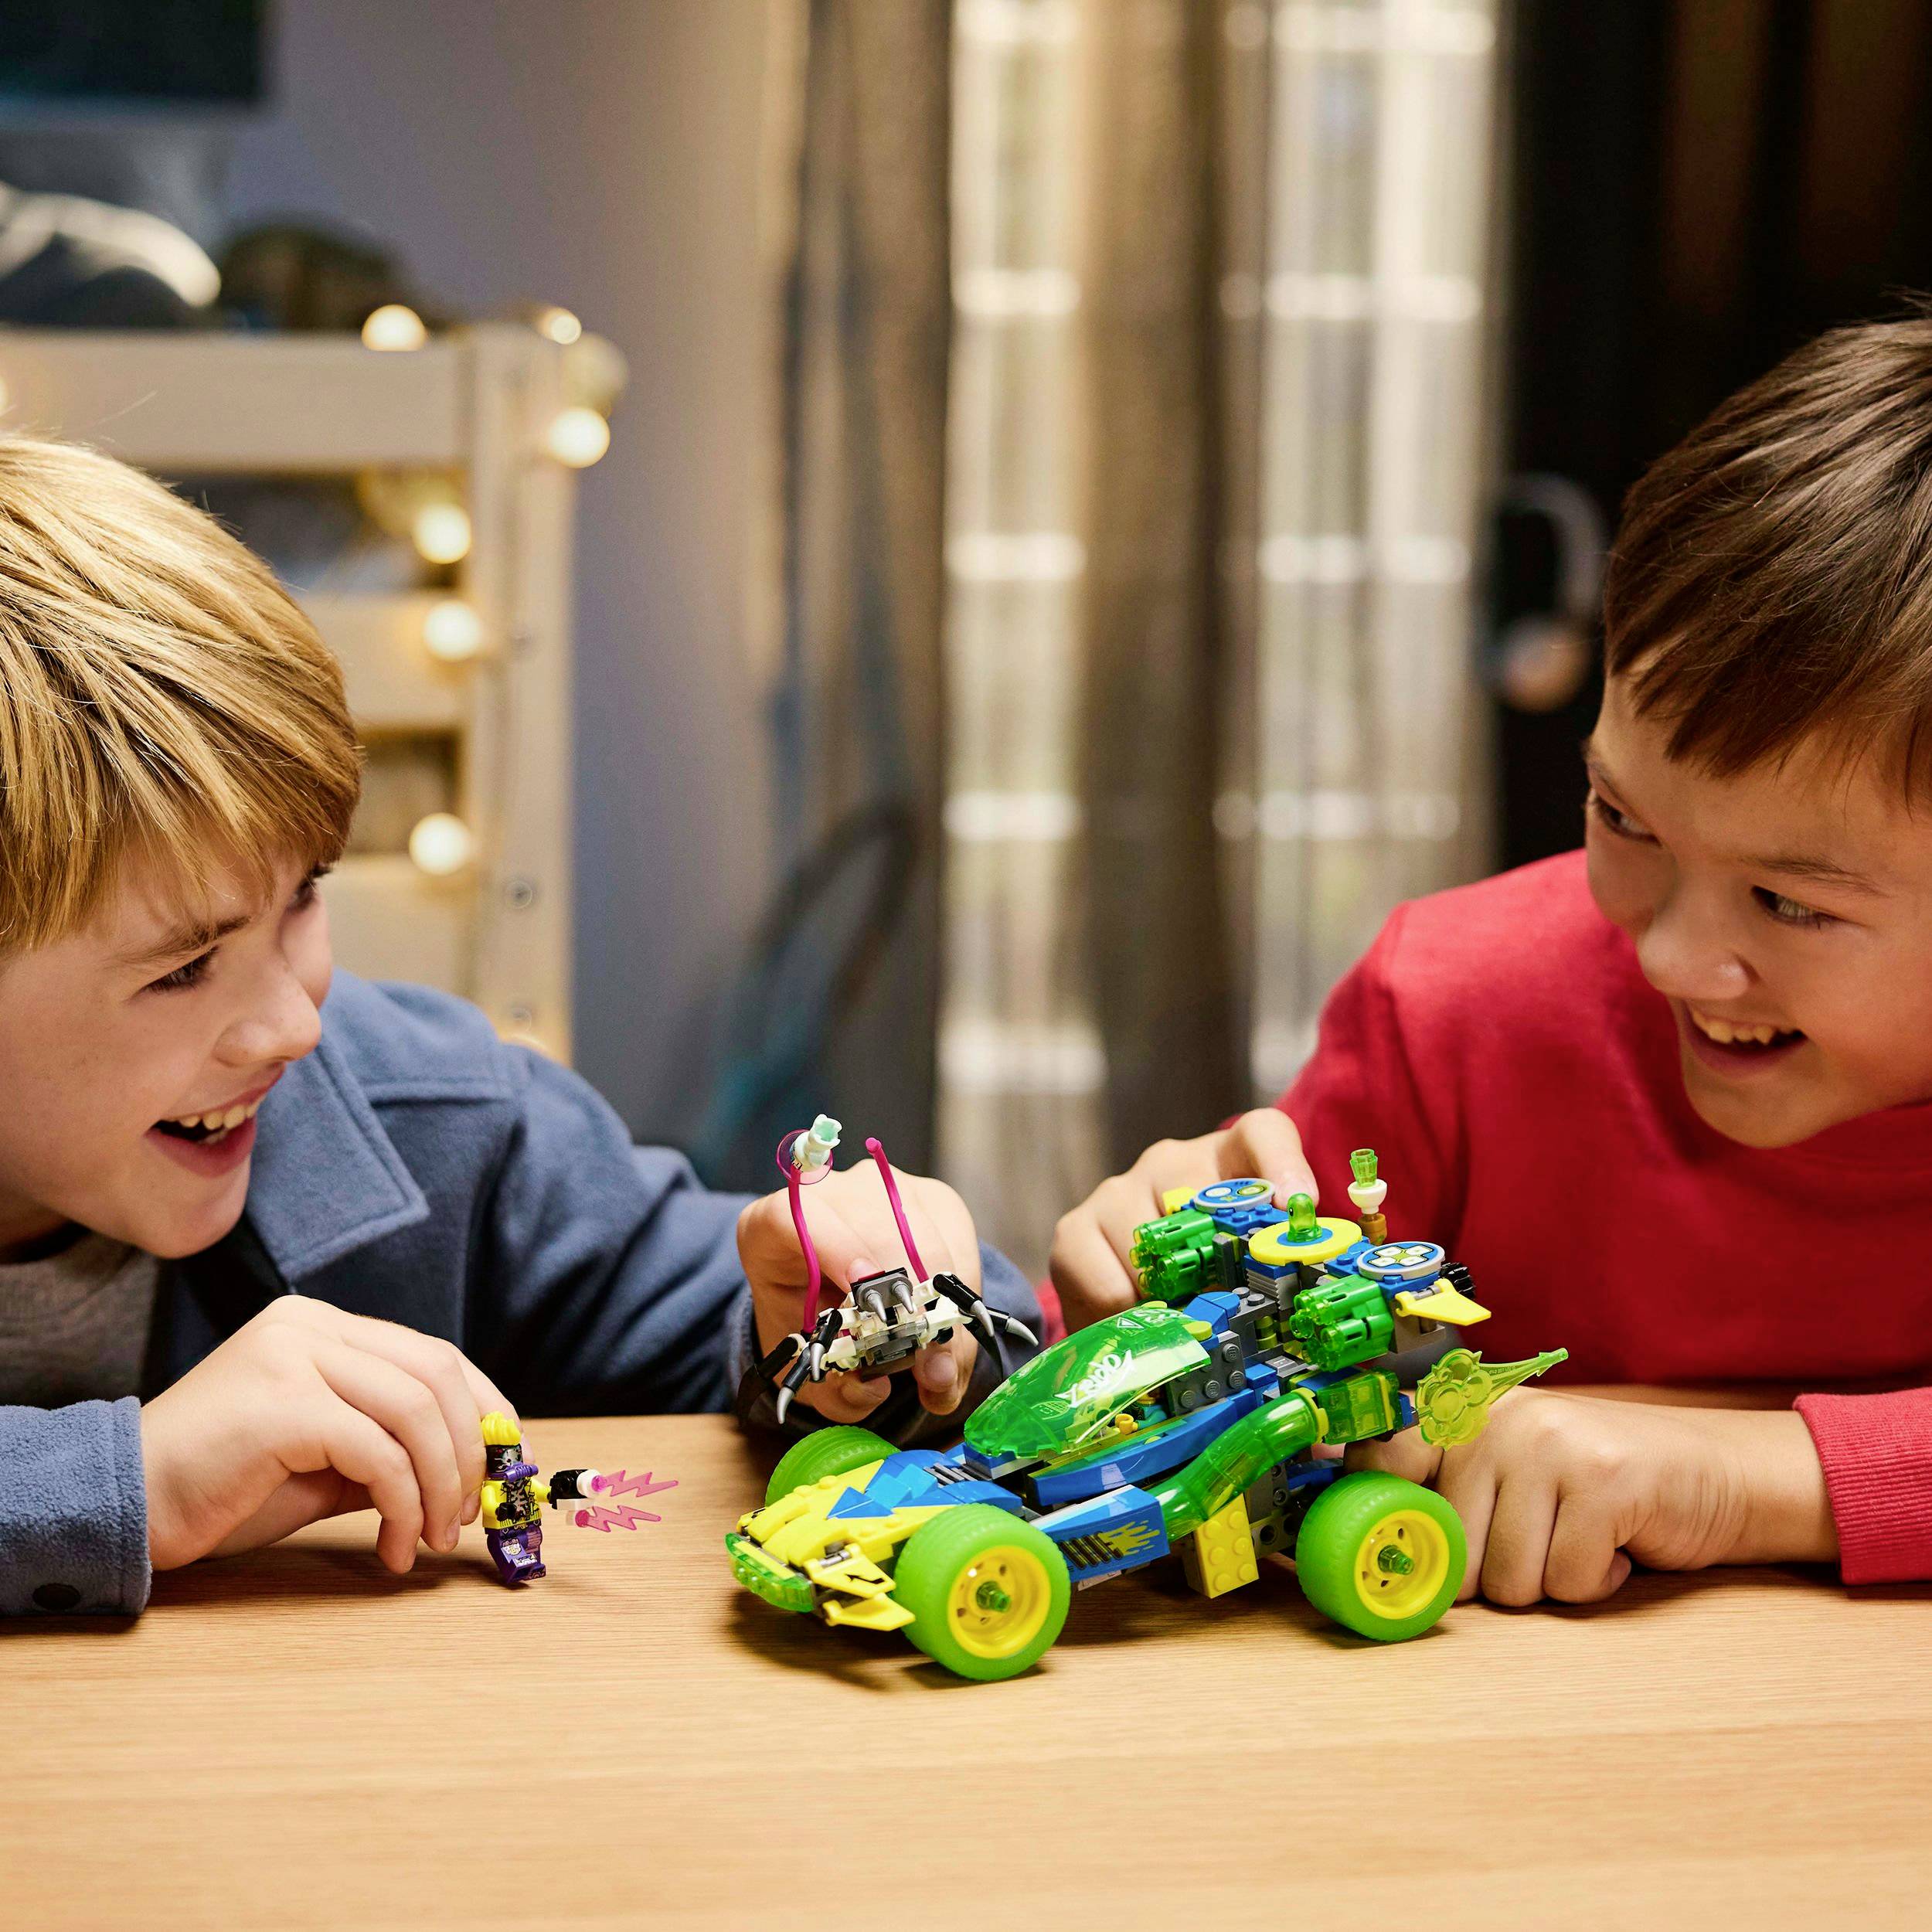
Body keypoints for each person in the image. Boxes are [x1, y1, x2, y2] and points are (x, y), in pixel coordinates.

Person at [0, 436, 1037, 1617]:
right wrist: (115, 1482)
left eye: (302, 898)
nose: (292, 1025)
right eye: (185, 968)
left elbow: (922, 1364)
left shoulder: (440, 1125)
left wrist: (857, 1323)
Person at [1049, 312, 1932, 1600]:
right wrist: (1149, 1291)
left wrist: (1753, 1481)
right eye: (1624, 818)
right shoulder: (1454, 1008)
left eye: (1790, 904)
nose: (1675, 957)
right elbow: (1206, 1416)